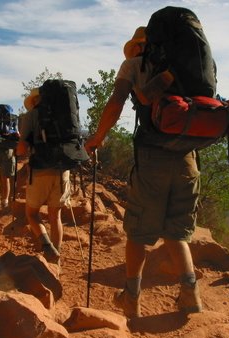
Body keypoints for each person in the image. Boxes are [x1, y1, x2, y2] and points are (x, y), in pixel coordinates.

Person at [84, 26, 203, 319]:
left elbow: (116, 102)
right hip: (189, 157)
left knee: (137, 230)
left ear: (139, 46)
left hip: (153, 157)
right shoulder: (190, 65)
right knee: (177, 231)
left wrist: (97, 138)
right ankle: (190, 295)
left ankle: (132, 297)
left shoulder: (134, 65)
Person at [16, 89, 69, 265]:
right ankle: (56, 262)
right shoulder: (65, 113)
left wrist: (19, 152)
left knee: (32, 213)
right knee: (56, 215)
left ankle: (47, 247)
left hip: (40, 169)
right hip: (63, 169)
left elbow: (23, 147)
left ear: (35, 100)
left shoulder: (30, 115)